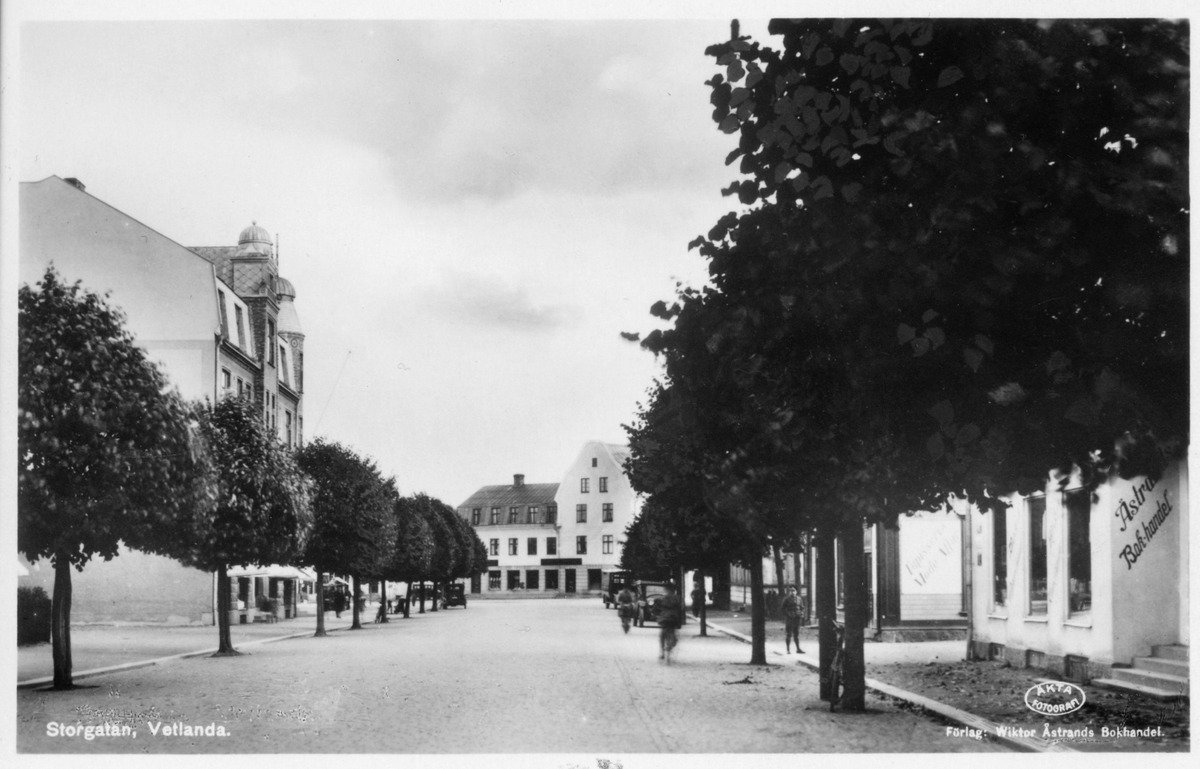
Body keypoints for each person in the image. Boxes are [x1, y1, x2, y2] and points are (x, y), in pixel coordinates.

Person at [657, 583, 684, 661]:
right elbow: (680, 610)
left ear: (667, 590)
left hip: (665, 619)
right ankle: (670, 646)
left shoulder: (663, 598)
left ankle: (662, 652)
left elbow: (658, 608)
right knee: (673, 635)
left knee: (662, 635)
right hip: (674, 619)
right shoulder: (677, 598)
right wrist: (680, 621)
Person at [781, 585, 804, 654]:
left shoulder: (799, 599)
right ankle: (788, 650)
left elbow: (802, 607)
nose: (792, 592)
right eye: (791, 591)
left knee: (796, 634)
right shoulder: (786, 599)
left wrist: (801, 613)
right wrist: (788, 614)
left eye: (793, 590)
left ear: (796, 591)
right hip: (790, 619)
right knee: (789, 634)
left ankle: (798, 649)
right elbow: (782, 609)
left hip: (797, 618)